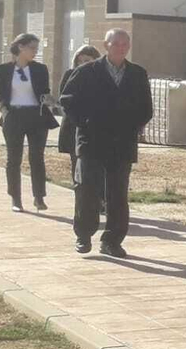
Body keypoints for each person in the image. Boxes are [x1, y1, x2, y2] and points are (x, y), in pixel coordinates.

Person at [60, 28, 153, 257]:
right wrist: (85, 121)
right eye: (116, 43)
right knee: (87, 190)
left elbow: (146, 108)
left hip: (121, 143)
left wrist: (132, 126)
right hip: (91, 141)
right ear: (106, 45)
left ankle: (112, 241)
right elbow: (67, 100)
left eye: (125, 44)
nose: (121, 47)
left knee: (118, 194)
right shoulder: (87, 72)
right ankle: (83, 235)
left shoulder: (137, 74)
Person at [0, 33, 55, 212]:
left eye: (36, 49)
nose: (35, 52)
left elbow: (44, 91)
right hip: (14, 116)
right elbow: (2, 97)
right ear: (20, 47)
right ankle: (16, 198)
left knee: (37, 158)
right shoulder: (3, 69)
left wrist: (49, 99)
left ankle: (39, 197)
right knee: (13, 159)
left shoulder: (40, 69)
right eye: (32, 48)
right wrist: (5, 113)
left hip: (36, 116)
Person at [57, 44, 102, 184]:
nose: (83, 64)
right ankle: (80, 196)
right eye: (80, 61)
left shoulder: (101, 77)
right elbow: (64, 100)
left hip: (95, 128)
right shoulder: (70, 74)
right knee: (76, 164)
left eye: (87, 60)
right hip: (73, 126)